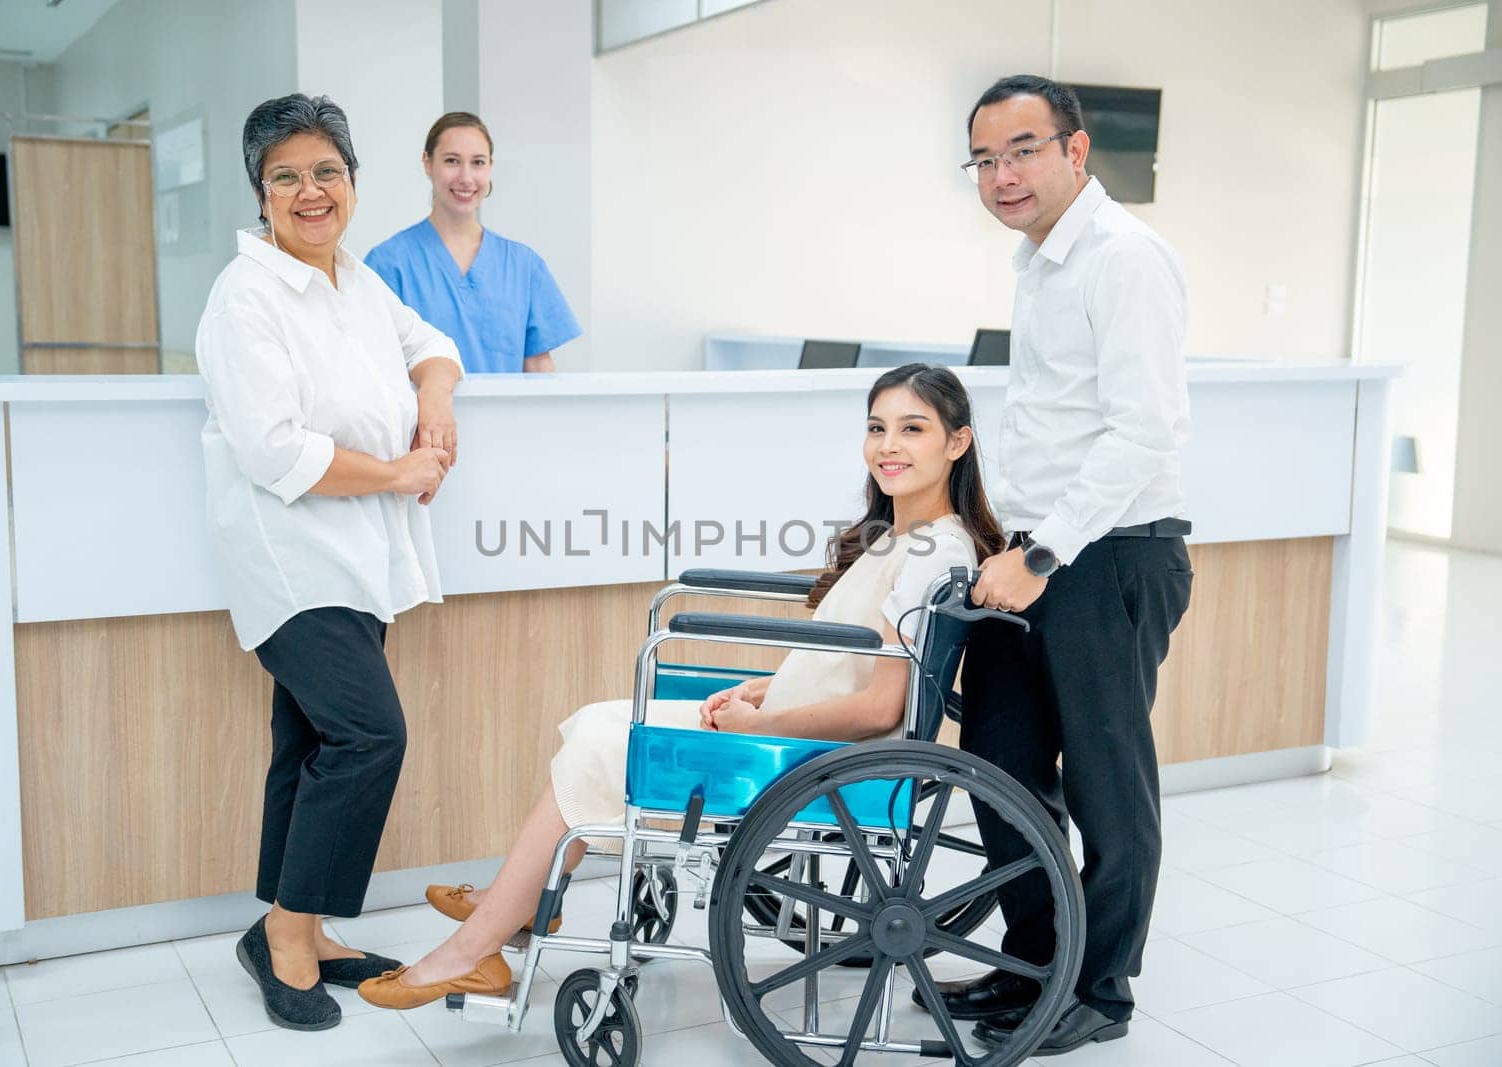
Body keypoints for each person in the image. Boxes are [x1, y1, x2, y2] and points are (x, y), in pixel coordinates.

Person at [355, 363, 1003, 1009]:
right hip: (792, 728)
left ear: (956, 442)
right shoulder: (906, 539)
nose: (889, 445)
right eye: (877, 427)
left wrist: (764, 723)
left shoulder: (928, 554)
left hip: (812, 755)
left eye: (912, 429)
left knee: (607, 742)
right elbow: (844, 660)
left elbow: (881, 704)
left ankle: (479, 942)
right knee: (596, 723)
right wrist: (760, 690)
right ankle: (513, 906)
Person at [915, 75, 1194, 1055]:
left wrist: (1041, 551)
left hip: (1107, 556)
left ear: (1075, 151)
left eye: (1021, 150)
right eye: (984, 159)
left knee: (1108, 777)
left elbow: (1140, 433)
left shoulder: (1125, 260)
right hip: (1029, 558)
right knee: (1002, 761)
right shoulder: (1039, 262)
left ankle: (1101, 986)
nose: (1002, 175)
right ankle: (1035, 959)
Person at [195, 93, 466, 1031]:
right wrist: (398, 467)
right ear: (260, 193)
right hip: (293, 559)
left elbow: (431, 345)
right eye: (287, 176)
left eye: (327, 172)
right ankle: (285, 930)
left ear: (351, 182)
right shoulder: (247, 298)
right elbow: (277, 451)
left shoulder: (353, 278)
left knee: (309, 744)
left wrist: (435, 400)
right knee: (366, 736)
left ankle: (300, 930)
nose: (310, 191)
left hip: (359, 553)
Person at [365, 111, 580, 374]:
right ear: (427, 163)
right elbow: (375, 369)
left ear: (490, 166)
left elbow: (538, 368)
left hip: (505, 416)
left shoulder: (524, 266)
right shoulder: (388, 264)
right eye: (452, 161)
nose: (466, 178)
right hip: (425, 416)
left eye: (478, 162)